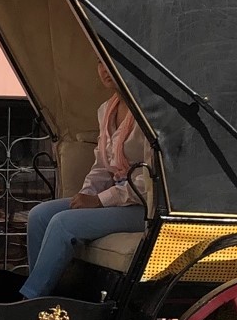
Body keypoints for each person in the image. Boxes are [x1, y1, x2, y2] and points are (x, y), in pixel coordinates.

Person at [17, 62, 150, 301]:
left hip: (145, 206)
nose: (104, 69)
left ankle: (31, 300)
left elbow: (149, 180)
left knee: (63, 224)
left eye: (110, 61)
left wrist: (100, 200)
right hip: (116, 198)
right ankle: (49, 297)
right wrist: (86, 196)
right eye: (99, 62)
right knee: (39, 216)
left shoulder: (149, 112)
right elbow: (102, 166)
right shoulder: (106, 110)